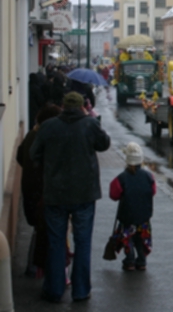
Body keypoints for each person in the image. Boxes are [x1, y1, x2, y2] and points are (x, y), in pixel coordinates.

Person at [30, 92, 111, 302]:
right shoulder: (89, 125)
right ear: (81, 107)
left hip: (55, 194)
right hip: (84, 193)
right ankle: (81, 290)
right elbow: (104, 144)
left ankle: (55, 289)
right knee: (83, 242)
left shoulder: (49, 126)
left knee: (56, 242)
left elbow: (34, 154)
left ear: (64, 106)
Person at [16, 104, 62, 276]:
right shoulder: (42, 138)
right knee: (42, 229)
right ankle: (35, 266)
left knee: (38, 227)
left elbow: (19, 156)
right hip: (39, 189)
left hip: (29, 187)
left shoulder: (31, 134)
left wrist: (29, 170)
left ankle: (34, 265)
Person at [109, 142, 156, 271]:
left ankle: (129, 260)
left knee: (128, 238)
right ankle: (141, 261)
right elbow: (153, 191)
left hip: (127, 216)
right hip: (144, 216)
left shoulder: (122, 178)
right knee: (141, 238)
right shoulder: (148, 176)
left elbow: (113, 194)